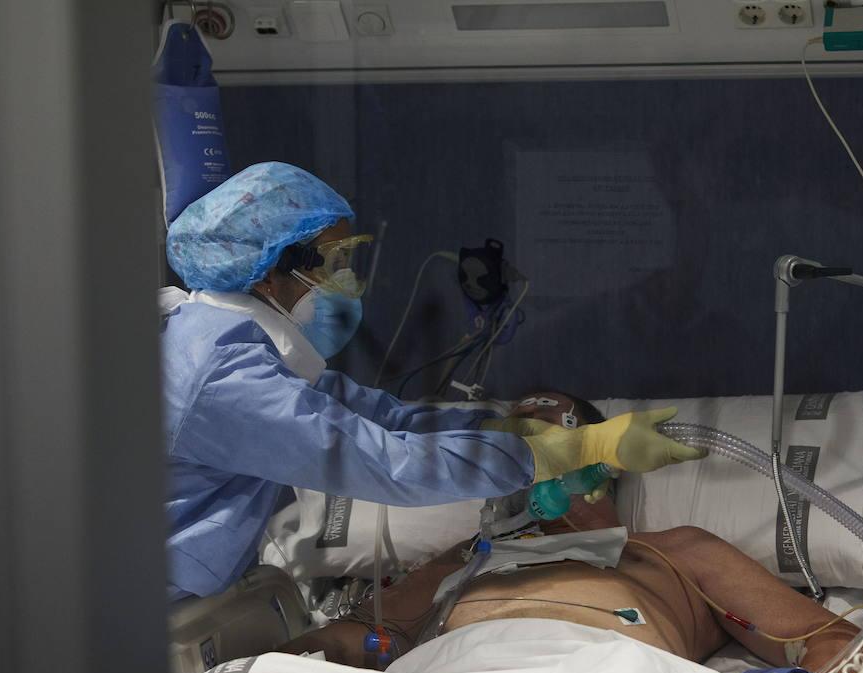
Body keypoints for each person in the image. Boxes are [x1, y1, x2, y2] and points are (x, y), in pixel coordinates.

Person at [158, 163, 705, 600]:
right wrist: (572, 449)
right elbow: (385, 461)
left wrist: (499, 427)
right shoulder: (220, 377)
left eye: (349, 257)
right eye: (332, 260)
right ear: (268, 273)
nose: (346, 278)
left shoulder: (242, 352)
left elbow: (384, 418)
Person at [275, 391, 861, 673]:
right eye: (516, 437)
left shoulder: (676, 552)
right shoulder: (471, 556)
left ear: (605, 458)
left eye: (549, 433)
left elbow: (827, 641)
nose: (529, 445)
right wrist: (276, 665)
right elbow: (368, 635)